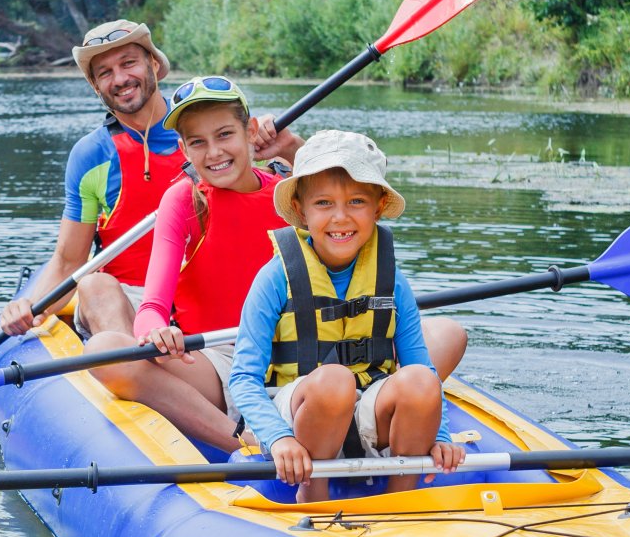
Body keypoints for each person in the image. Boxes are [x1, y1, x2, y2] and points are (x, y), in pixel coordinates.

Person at [90, 79, 469, 453]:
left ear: (250, 132)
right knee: (107, 351)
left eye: (225, 135)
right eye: (198, 142)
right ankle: (245, 439)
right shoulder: (184, 199)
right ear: (183, 149)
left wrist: (291, 145)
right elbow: (154, 305)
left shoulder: (288, 193)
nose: (214, 152)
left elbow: (345, 195)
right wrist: (155, 329)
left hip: (310, 343)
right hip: (222, 356)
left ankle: (376, 411)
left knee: (448, 334)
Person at [0, 22, 300, 345]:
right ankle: (139, 373)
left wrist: (288, 147)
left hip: (209, 297)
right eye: (105, 72)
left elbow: (304, 196)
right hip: (131, 299)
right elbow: (70, 259)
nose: (121, 79)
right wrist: (32, 308)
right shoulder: (91, 156)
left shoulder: (206, 128)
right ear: (95, 86)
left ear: (153, 64)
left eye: (129, 63)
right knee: (94, 285)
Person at [228, 131, 465, 502]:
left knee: (419, 380)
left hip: (366, 411)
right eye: (324, 203)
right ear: (302, 210)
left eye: (356, 201)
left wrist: (441, 437)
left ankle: (399, 499)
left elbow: (423, 367)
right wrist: (279, 437)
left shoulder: (392, 279)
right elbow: (243, 378)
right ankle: (314, 495)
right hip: (299, 413)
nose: (341, 217)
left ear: (378, 206)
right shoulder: (275, 276)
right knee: (334, 381)